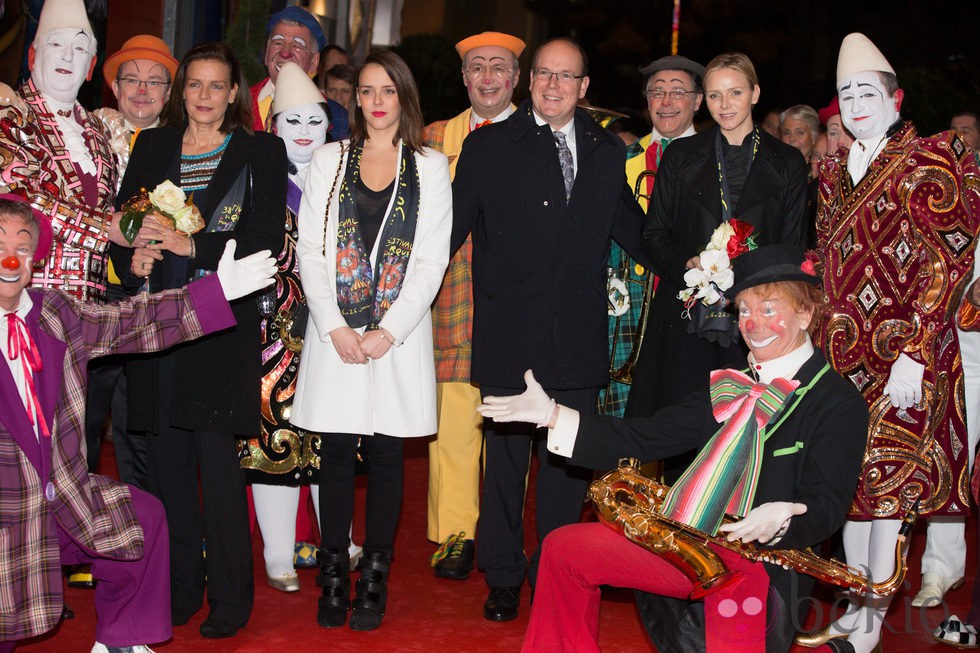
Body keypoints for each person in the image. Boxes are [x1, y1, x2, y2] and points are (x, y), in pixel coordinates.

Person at [479, 244, 869, 653]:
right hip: (690, 548)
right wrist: (554, 416)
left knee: (738, 603)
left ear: (805, 314)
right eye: (744, 311)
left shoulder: (837, 403)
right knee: (563, 550)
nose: (753, 324)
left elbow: (827, 506)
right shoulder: (728, 385)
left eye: (769, 310)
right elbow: (643, 437)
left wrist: (787, 516)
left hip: (762, 567)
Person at [0, 193, 277, 653]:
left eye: (22, 245)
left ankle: (121, 641)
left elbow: (133, 321)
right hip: (8, 516)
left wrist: (216, 292)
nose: (11, 256)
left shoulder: (53, 313)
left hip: (63, 500)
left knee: (142, 519)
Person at [451, 37, 650, 622]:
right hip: (510, 338)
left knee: (566, 471)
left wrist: (700, 266)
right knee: (506, 469)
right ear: (530, 80)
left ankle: (554, 574)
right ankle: (505, 576)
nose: (554, 85)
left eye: (566, 77)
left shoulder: (605, 151)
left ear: (584, 87)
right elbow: (448, 235)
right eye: (544, 74)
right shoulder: (487, 148)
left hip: (577, 339)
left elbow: (634, 234)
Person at [804, 33, 980, 653]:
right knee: (848, 485)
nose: (855, 103)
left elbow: (950, 262)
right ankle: (855, 605)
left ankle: (875, 620)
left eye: (867, 92)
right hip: (841, 355)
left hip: (905, 356)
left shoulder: (930, 162)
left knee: (887, 490)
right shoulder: (833, 169)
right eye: (845, 93)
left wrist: (918, 352)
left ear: (895, 98)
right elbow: (828, 263)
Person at [108, 41, 288, 639]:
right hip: (156, 324)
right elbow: (121, 224)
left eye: (217, 86)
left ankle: (232, 598)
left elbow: (265, 240)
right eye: (194, 86)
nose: (204, 97)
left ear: (234, 93)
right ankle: (182, 586)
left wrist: (194, 246)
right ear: (181, 91)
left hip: (217, 327)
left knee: (218, 468)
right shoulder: (152, 146)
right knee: (167, 471)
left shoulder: (260, 151)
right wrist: (131, 257)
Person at [290, 49, 452, 631]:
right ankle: (333, 576)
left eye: (387, 91)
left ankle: (374, 581)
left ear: (404, 97)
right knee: (335, 453)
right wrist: (333, 324)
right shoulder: (329, 159)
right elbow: (309, 248)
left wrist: (390, 330)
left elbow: (432, 258)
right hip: (335, 331)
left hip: (397, 337)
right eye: (365, 91)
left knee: (386, 454)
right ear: (353, 99)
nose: (376, 102)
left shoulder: (430, 166)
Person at [624, 52, 808, 485]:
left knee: (747, 444)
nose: (725, 105)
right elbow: (654, 235)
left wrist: (756, 282)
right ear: (703, 100)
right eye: (714, 95)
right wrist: (687, 264)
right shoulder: (682, 156)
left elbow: (795, 246)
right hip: (688, 318)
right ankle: (676, 540)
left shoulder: (787, 162)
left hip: (755, 323)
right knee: (680, 442)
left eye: (736, 93)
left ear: (755, 95)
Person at [422, 30, 524, 582]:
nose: (488, 77)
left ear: (516, 79)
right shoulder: (436, 137)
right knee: (454, 421)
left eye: (499, 67)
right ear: (464, 78)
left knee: (512, 426)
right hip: (452, 296)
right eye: (477, 67)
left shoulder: (538, 135)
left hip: (517, 300)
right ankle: (456, 533)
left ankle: (506, 535)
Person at [237, 61, 333, 593]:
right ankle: (277, 554)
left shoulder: (343, 179)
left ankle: (334, 539)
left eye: (314, 122)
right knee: (273, 441)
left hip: (330, 333)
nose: (302, 131)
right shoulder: (253, 183)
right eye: (290, 121)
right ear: (271, 128)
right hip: (270, 332)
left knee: (330, 439)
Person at [86, 34, 179, 488]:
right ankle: (77, 532)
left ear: (167, 92)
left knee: (137, 420)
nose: (142, 90)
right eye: (132, 80)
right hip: (93, 295)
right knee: (83, 416)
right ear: (116, 87)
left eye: (154, 82)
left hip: (150, 296)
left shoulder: (183, 146)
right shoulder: (88, 137)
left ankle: (141, 534)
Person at [602, 54, 704, 418]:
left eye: (678, 92)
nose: (666, 101)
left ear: (697, 100)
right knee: (617, 429)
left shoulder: (716, 162)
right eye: (657, 92)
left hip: (686, 311)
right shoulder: (619, 159)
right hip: (623, 314)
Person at [250, 6, 349, 142]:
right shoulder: (237, 105)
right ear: (267, 54)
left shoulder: (337, 117)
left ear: (314, 61)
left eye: (297, 45)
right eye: (278, 42)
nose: (285, 53)